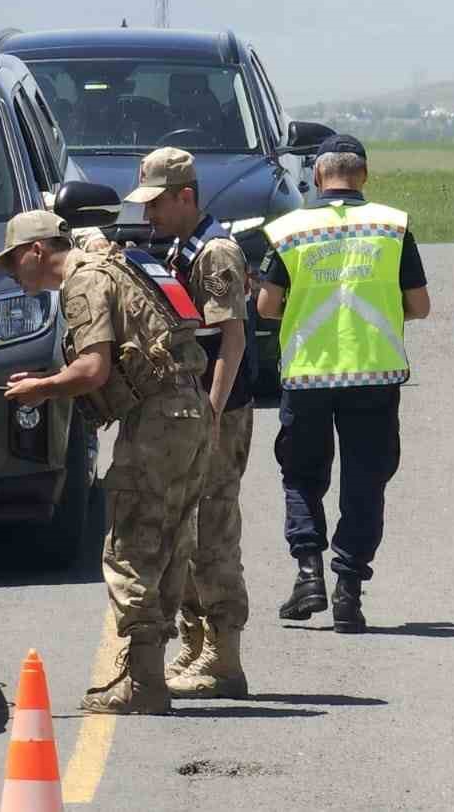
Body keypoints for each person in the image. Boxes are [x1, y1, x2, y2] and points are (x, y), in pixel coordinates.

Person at [0, 209, 211, 715]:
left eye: (12, 263)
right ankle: (147, 675)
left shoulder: (82, 283)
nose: (12, 275)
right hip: (187, 411)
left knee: (132, 545)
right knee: (170, 540)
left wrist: (41, 389)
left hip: (158, 421)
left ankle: (142, 683)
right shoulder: (108, 266)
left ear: (36, 252)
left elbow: (93, 369)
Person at [255, 134, 430, 634]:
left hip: (308, 374)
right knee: (366, 479)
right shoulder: (392, 227)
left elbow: (267, 307)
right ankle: (348, 590)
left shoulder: (289, 230)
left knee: (302, 475)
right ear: (364, 177)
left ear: (316, 175)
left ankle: (308, 575)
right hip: (374, 374)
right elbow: (419, 305)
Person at [127, 147, 254, 699]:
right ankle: (196, 644)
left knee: (212, 529)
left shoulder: (217, 252)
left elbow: (232, 339)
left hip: (213, 409)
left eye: (157, 204)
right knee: (186, 527)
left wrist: (213, 413)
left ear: (186, 196)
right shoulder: (183, 245)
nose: (149, 215)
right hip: (191, 409)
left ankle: (223, 656)